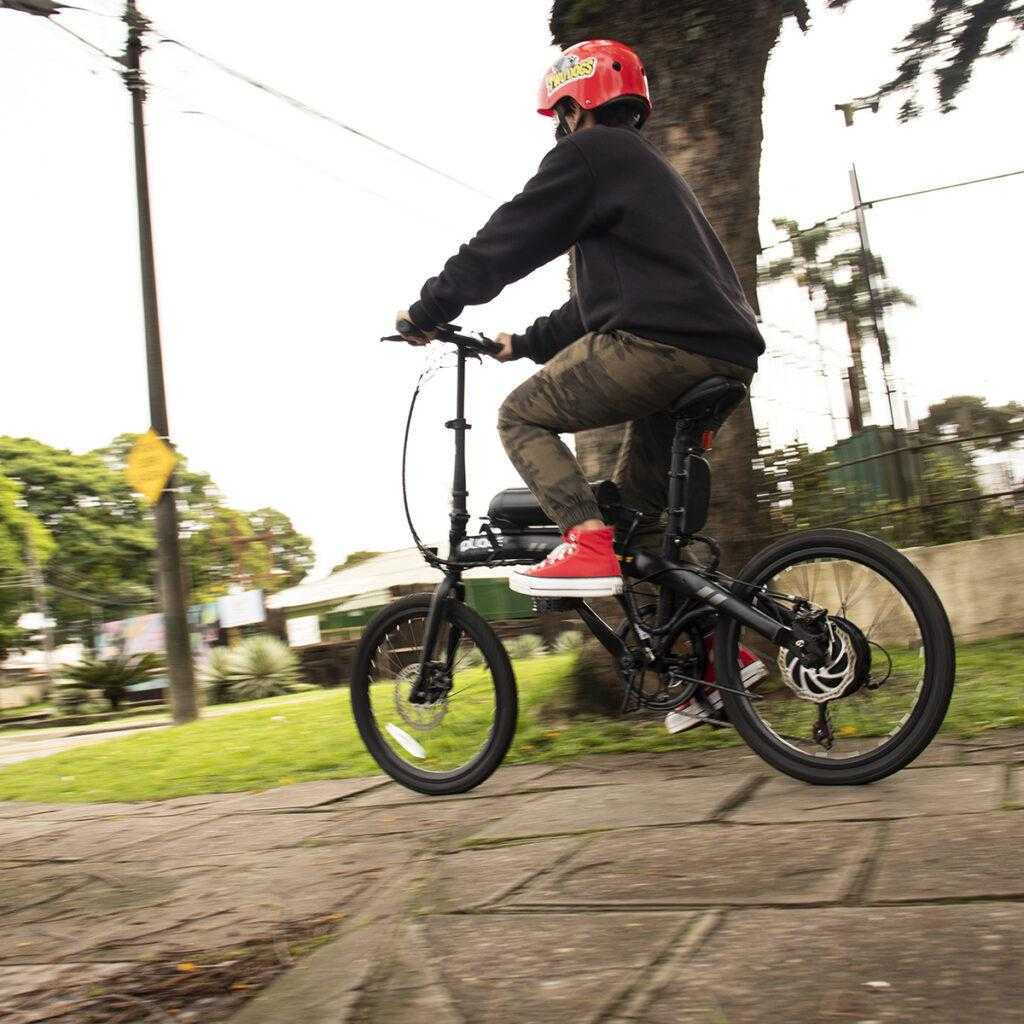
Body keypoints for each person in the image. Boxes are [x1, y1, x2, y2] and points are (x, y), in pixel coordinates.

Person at [397, 39, 766, 730]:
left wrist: (431, 308)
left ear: (575, 102)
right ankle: (713, 665)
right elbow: (591, 306)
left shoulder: (590, 156)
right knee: (640, 525)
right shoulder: (643, 172)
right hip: (718, 357)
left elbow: (507, 240)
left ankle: (583, 539)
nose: (560, 126)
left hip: (661, 348)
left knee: (520, 417)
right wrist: (524, 342)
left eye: (560, 113)